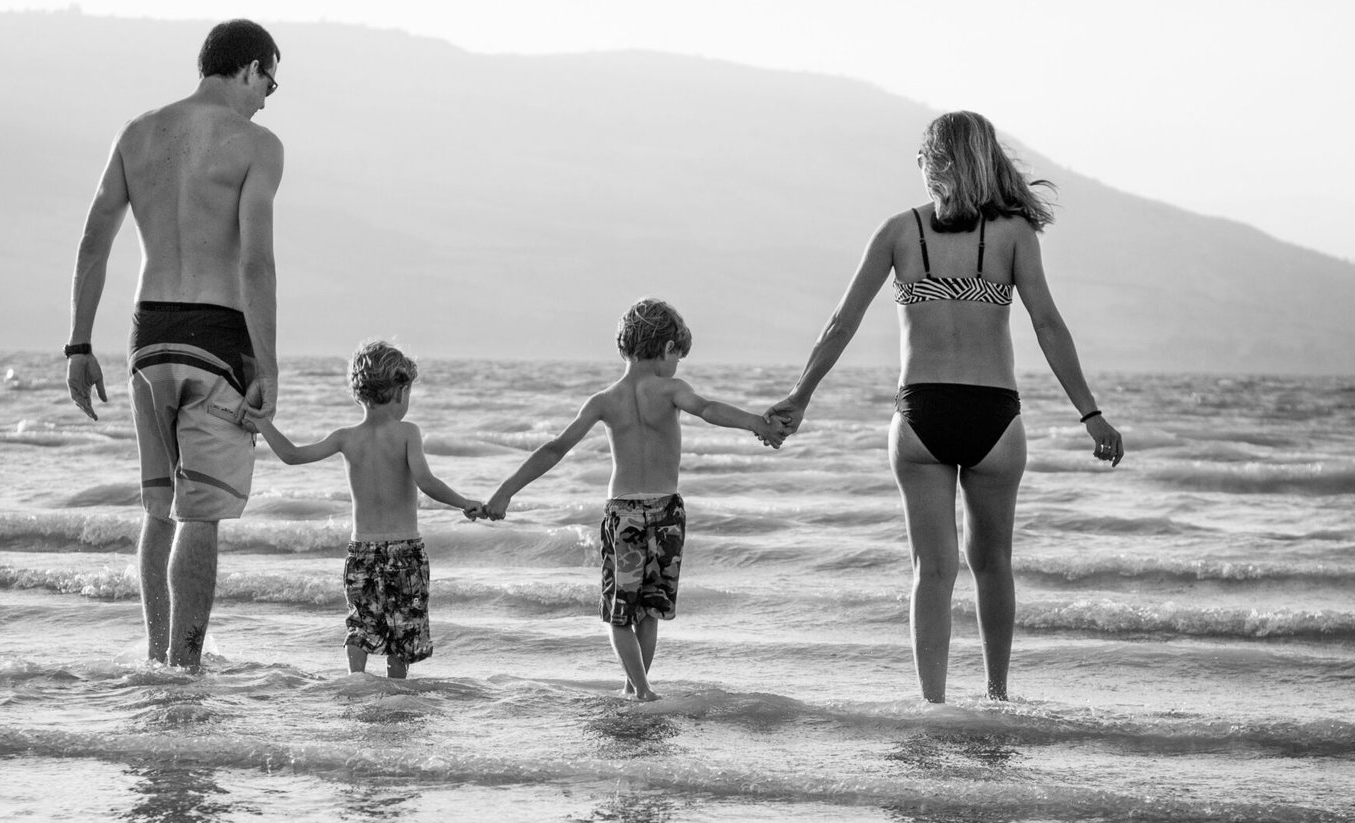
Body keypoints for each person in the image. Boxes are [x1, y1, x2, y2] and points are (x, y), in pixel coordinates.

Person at [765, 111, 1124, 703]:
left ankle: (932, 706)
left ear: (937, 163)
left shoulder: (899, 232)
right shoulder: (1012, 235)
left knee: (932, 571)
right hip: (996, 419)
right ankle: (997, 698)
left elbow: (840, 324)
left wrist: (800, 398)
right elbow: (1048, 325)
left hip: (921, 416)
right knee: (993, 564)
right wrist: (1090, 414)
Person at [64, 19, 284, 670]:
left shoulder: (138, 133)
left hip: (147, 336)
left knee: (160, 508)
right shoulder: (256, 144)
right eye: (270, 80)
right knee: (200, 514)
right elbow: (256, 264)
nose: (269, 96)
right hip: (216, 337)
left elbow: (93, 240)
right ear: (249, 68)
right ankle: (185, 670)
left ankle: (157, 660)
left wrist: (78, 344)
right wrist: (267, 364)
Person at [484, 298, 783, 701]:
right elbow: (708, 409)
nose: (678, 367)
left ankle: (634, 686)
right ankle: (642, 688)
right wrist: (755, 424)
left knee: (620, 609)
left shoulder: (604, 400)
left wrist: (504, 493)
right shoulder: (673, 390)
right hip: (666, 513)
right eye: (679, 357)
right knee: (650, 609)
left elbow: (556, 448)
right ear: (667, 349)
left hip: (624, 512)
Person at [244, 341, 484, 679]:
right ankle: (395, 689)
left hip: (361, 551)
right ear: (400, 392)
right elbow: (426, 481)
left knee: (362, 621)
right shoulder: (407, 433)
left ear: (361, 392)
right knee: (403, 628)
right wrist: (464, 503)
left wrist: (262, 423)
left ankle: (355, 679)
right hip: (405, 551)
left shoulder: (346, 438)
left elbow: (293, 455)